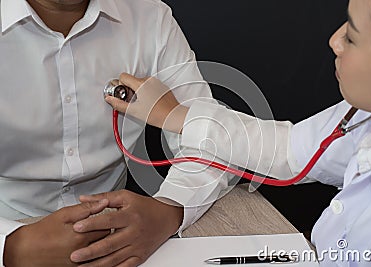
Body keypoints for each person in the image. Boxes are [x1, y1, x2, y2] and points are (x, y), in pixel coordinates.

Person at [106, 0, 371, 265]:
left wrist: (171, 208)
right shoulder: (369, 114)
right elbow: (288, 151)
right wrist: (174, 115)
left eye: (352, 37)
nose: (334, 41)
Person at [0, 0, 233, 266]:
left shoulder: (149, 16)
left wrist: (170, 209)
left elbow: (208, 141)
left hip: (122, 234)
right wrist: (12, 246)